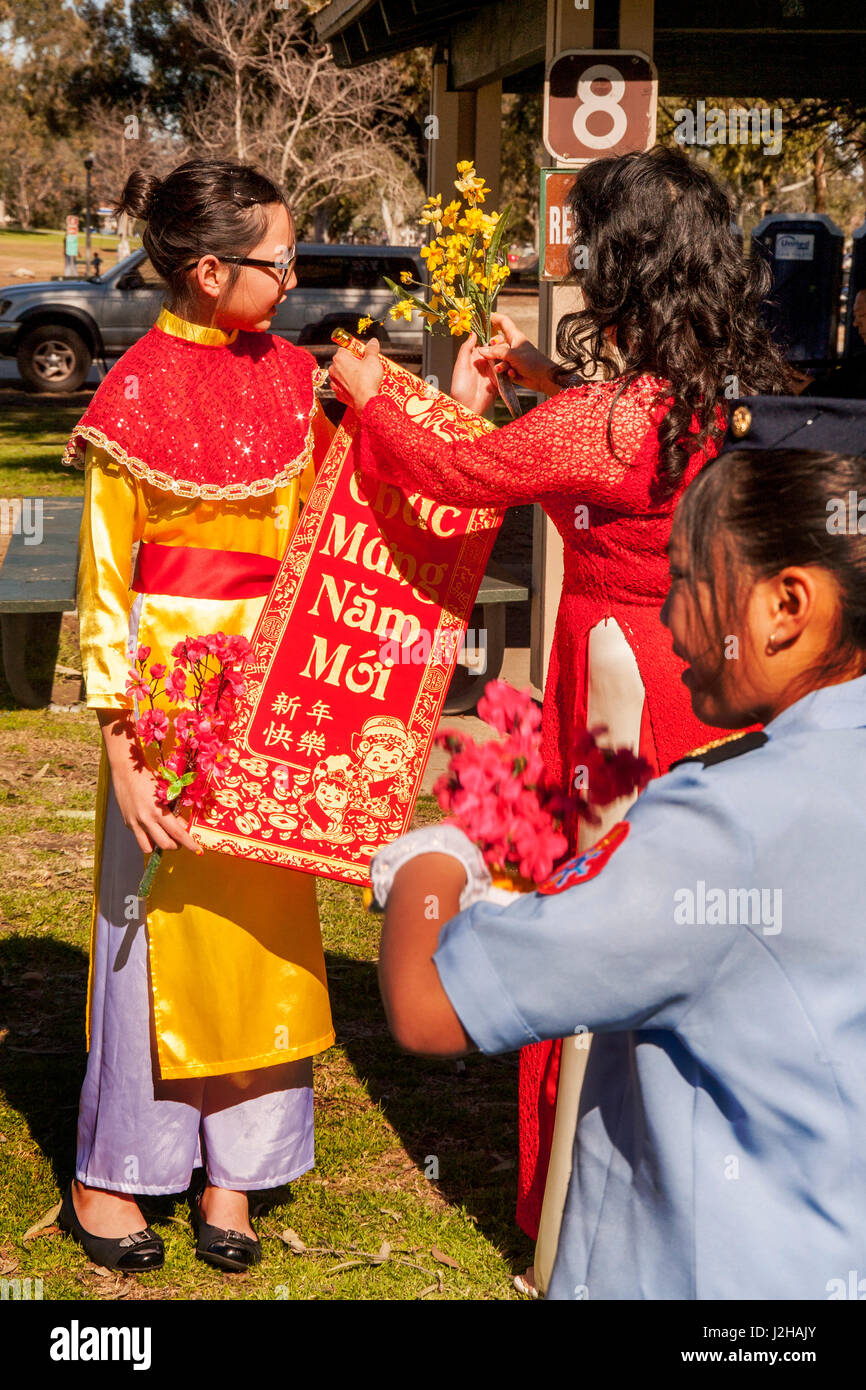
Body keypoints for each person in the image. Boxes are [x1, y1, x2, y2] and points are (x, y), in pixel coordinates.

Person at [330, 145, 794, 1285]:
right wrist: (540, 375)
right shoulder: (723, 394)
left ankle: (582, 1199)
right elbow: (603, 459)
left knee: (600, 918)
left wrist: (366, 395)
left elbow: (459, 469)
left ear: (624, 264)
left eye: (588, 241)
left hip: (617, 685)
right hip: (708, 674)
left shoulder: (606, 417)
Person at [369, 424, 866, 1300]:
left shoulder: (722, 827)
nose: (668, 617)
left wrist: (433, 857)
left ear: (787, 606)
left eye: (686, 583)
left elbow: (429, 1009)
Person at [59, 160, 336, 1273]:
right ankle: (115, 1169)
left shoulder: (294, 375)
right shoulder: (129, 390)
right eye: (281, 260)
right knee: (150, 934)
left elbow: (338, 511)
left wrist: (445, 405)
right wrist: (122, 743)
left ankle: (238, 1172)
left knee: (264, 930)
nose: (296, 275)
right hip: (167, 711)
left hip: (270, 698)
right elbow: (106, 584)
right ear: (212, 271)